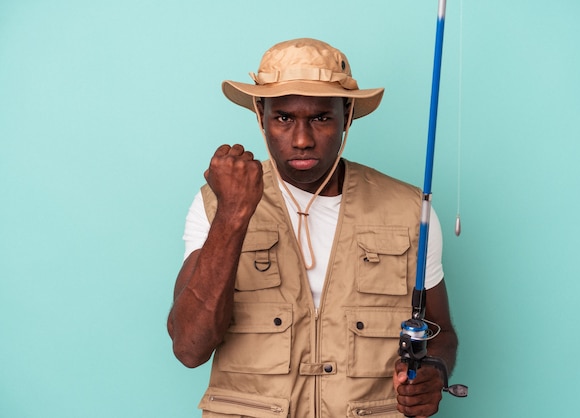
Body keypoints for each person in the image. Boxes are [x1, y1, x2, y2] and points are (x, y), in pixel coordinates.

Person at [167, 38, 459, 417]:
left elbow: (440, 332)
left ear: (347, 114)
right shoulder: (214, 204)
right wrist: (232, 215)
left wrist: (434, 369)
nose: (302, 140)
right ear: (260, 114)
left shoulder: (409, 210)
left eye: (321, 118)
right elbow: (190, 348)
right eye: (284, 117)